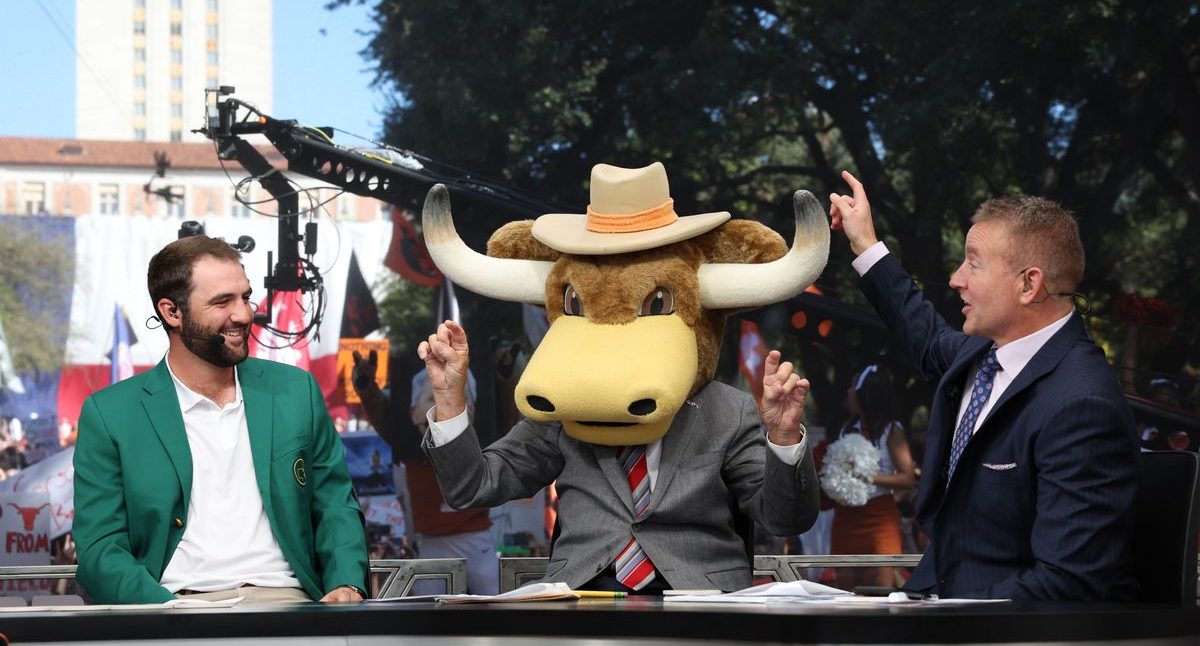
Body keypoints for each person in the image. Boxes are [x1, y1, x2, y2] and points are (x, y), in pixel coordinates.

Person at [829, 170, 1139, 600]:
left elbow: (1067, 585)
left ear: (1029, 284)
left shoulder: (1082, 404)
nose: (956, 279)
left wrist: (932, 622)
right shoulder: (980, 356)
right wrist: (865, 243)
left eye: (973, 262)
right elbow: (922, 333)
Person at [73, 235, 368, 604]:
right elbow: (100, 547)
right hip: (173, 606)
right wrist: (165, 611)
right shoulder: (111, 414)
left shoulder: (296, 392)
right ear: (172, 312)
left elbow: (335, 504)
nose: (244, 314)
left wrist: (346, 584)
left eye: (244, 297)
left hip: (287, 603)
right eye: (221, 302)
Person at [416, 321, 816, 593]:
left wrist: (782, 438)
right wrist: (450, 400)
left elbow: (786, 518)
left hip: (699, 600)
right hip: (582, 598)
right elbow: (472, 486)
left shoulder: (727, 409)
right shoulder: (565, 406)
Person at [351, 353, 499, 595]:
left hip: (476, 541)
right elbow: (386, 418)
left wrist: (507, 374)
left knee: (495, 603)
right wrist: (367, 389)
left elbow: (506, 418)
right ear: (413, 412)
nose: (441, 410)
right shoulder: (410, 445)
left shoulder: (481, 444)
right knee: (429, 612)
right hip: (431, 543)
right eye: (432, 400)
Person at [829, 364, 916, 589]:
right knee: (844, 593)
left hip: (880, 519)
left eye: (852, 386)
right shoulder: (846, 428)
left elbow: (908, 479)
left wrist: (868, 476)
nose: (848, 392)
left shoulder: (891, 430)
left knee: (879, 591)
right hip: (845, 519)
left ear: (865, 394)